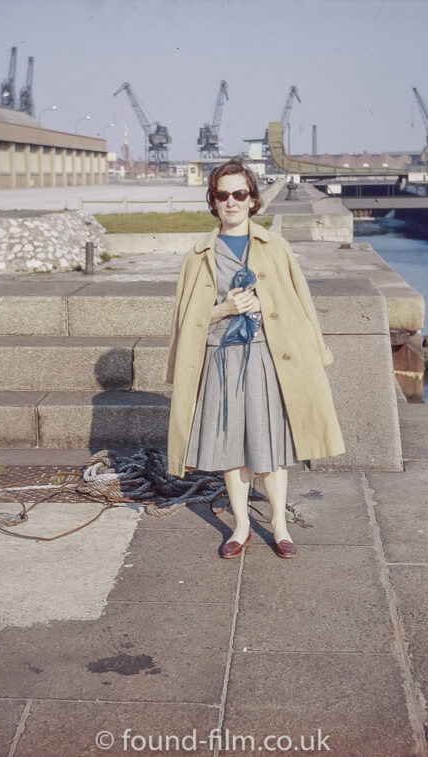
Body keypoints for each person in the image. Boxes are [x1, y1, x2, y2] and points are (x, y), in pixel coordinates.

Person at [163, 159, 344, 559]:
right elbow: (185, 318)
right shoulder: (198, 256)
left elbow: (301, 302)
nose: (231, 202)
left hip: (268, 356)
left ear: (252, 201)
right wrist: (224, 309)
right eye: (222, 195)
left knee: (271, 443)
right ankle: (241, 525)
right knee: (230, 445)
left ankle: (278, 524)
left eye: (239, 194)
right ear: (213, 201)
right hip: (221, 359)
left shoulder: (274, 247)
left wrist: (315, 347)